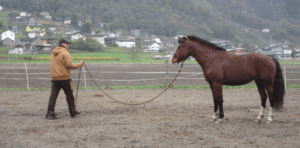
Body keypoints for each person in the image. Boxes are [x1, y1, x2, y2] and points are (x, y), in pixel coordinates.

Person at [45, 39, 84, 119]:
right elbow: (69, 65)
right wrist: (80, 64)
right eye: (67, 44)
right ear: (63, 44)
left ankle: (50, 113)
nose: (68, 45)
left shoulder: (53, 54)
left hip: (55, 78)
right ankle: (73, 112)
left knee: (53, 96)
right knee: (69, 95)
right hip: (65, 78)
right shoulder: (65, 53)